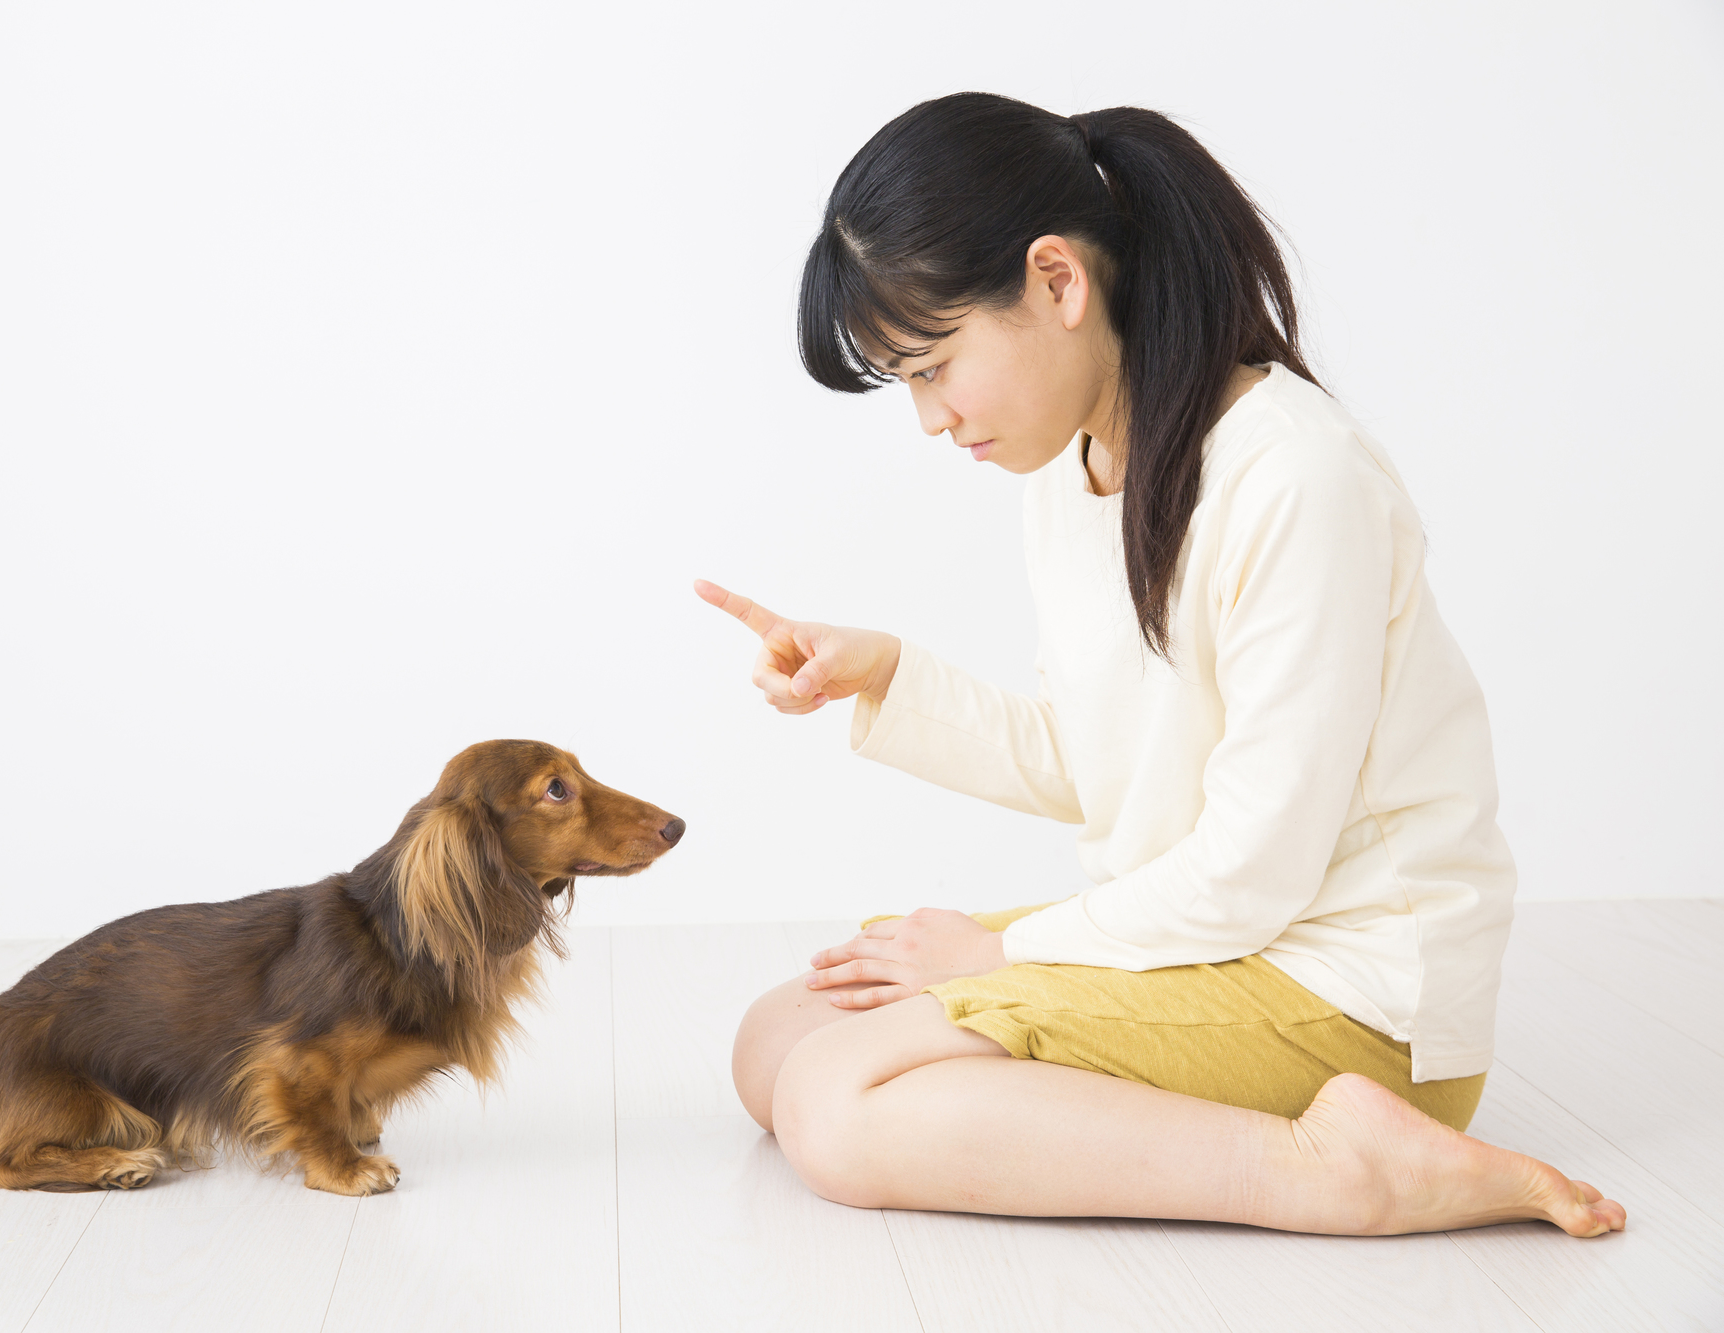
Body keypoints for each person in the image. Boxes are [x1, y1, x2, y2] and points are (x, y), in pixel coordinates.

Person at [696, 92, 1624, 1238]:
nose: (931, 420)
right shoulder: (1072, 465)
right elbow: (1109, 765)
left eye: (934, 367)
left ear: (1055, 281)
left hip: (1354, 994)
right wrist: (884, 673)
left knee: (835, 1100)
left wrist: (997, 953)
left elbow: (1253, 869)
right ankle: (1238, 1140)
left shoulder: (1292, 475)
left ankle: (1329, 1167)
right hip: (1215, 945)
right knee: (777, 1040)